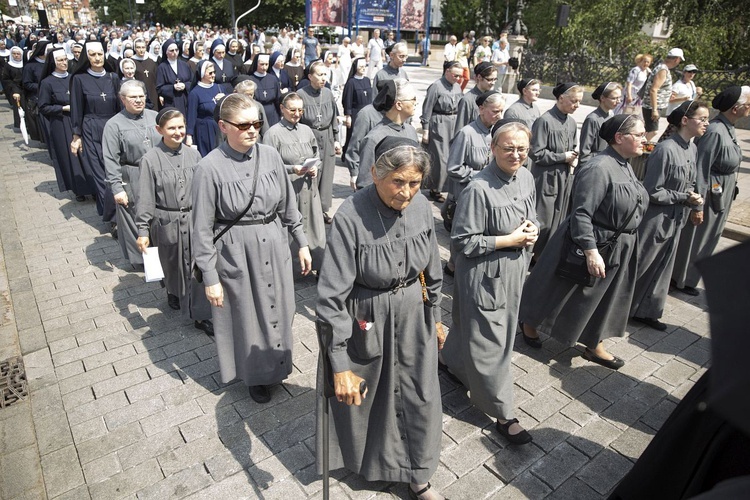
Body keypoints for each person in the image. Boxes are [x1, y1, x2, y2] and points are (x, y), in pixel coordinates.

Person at [315, 136, 447, 500]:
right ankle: (376, 464)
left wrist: (435, 315)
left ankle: (419, 475)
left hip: (413, 318)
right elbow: (329, 299)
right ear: (375, 173)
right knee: (373, 398)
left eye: (415, 183)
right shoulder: (350, 215)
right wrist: (338, 362)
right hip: (367, 320)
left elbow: (432, 268)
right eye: (398, 182)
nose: (406, 193)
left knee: (420, 395)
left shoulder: (421, 208)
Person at [192, 93, 312, 404]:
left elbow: (289, 205)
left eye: (257, 123)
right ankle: (256, 376)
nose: (252, 130)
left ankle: (278, 363)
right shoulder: (208, 168)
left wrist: (301, 242)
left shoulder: (270, 156)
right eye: (243, 124)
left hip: (274, 245)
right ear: (223, 126)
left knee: (280, 307)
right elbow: (202, 230)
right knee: (248, 315)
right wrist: (210, 277)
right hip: (237, 253)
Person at [520, 114, 649, 368]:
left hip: (616, 245)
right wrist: (590, 250)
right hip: (591, 242)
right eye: (640, 134)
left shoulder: (625, 163)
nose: (645, 139)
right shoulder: (598, 167)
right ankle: (530, 322)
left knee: (604, 298)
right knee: (558, 286)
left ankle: (594, 342)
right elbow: (581, 213)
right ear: (620, 138)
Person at [441, 121, 538, 445]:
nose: (516, 154)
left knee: (478, 329)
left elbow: (531, 215)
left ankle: (452, 363)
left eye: (522, 148)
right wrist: (508, 239)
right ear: (493, 149)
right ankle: (504, 413)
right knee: (492, 342)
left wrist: (532, 230)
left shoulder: (525, 176)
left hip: (513, 273)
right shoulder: (478, 188)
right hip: (484, 276)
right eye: (508, 148)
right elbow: (463, 241)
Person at [630, 100, 708, 331]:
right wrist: (683, 196)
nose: (706, 124)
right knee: (642, 264)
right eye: (702, 119)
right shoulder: (665, 149)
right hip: (656, 219)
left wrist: (694, 201)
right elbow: (652, 190)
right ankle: (620, 308)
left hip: (676, 217)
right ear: (685, 121)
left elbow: (691, 180)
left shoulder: (692, 148)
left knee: (663, 266)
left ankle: (645, 311)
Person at [135, 107, 213, 333]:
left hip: (193, 219)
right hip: (167, 220)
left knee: (197, 267)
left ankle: (200, 314)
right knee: (173, 266)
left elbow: (203, 188)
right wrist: (142, 230)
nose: (177, 132)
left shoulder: (194, 154)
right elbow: (145, 197)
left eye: (181, 127)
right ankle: (172, 290)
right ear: (159, 130)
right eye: (171, 128)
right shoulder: (149, 160)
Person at [671, 86, 750, 296]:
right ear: (736, 108)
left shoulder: (728, 128)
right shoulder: (715, 131)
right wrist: (698, 204)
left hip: (721, 190)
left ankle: (689, 277)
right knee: (699, 236)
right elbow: (700, 167)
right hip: (710, 192)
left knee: (710, 236)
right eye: (748, 104)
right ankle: (682, 278)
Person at [263, 92, 326, 271]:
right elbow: (268, 166)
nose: (297, 114)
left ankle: (318, 264)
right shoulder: (273, 134)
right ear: (282, 109)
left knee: (315, 229)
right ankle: (290, 269)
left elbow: (316, 155)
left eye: (300, 110)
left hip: (308, 188)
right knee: (290, 228)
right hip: (288, 189)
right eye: (292, 110)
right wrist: (292, 169)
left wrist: (315, 166)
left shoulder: (307, 130)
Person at [102, 80, 161, 266]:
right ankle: (144, 262)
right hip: (133, 174)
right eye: (133, 97)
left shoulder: (156, 117)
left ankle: (165, 254)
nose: (138, 100)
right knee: (137, 216)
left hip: (158, 173)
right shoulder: (114, 125)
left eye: (141, 96)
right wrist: (117, 187)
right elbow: (110, 158)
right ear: (122, 99)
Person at [70, 41, 121, 224]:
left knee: (116, 172)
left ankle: (120, 212)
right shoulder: (79, 79)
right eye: (92, 55)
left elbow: (120, 106)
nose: (97, 58)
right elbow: (76, 108)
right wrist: (77, 136)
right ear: (86, 57)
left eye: (100, 54)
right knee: (101, 175)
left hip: (113, 127)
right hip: (91, 128)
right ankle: (113, 219)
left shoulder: (113, 77)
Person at [529, 82, 581, 256]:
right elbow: (536, 153)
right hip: (545, 178)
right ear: (561, 98)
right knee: (543, 220)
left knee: (559, 219)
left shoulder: (572, 122)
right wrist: (562, 157)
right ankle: (531, 254)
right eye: (573, 101)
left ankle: (545, 255)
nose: (577, 105)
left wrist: (573, 157)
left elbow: (572, 146)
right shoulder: (544, 121)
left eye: (579, 101)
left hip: (564, 177)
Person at [443, 91, 504, 231]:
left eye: (501, 111)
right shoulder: (466, 133)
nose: (500, 116)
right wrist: (480, 174)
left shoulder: (496, 133)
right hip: (466, 195)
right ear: (481, 109)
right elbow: (453, 168)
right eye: (495, 111)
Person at [38, 48, 93, 202]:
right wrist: (63, 108)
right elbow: (43, 107)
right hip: (61, 122)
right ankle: (78, 189)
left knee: (87, 153)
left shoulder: (74, 78)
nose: (64, 63)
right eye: (60, 60)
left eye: (65, 59)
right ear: (53, 63)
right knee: (71, 156)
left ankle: (93, 186)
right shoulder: (47, 82)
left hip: (80, 120)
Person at [354, 78, 419, 189]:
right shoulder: (374, 138)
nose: (416, 103)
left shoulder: (411, 131)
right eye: (413, 99)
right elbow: (365, 183)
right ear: (399, 105)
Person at [297, 60, 341, 224]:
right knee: (311, 175)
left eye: (325, 74)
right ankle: (306, 211)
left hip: (327, 138)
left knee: (326, 177)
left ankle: (322, 211)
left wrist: (337, 140)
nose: (324, 78)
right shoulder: (301, 94)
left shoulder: (328, 94)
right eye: (320, 74)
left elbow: (334, 119)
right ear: (310, 76)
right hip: (310, 139)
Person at [420, 61, 464, 203]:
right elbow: (427, 108)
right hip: (439, 123)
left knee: (453, 156)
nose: (457, 79)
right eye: (455, 75)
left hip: (454, 122)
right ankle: (435, 188)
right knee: (441, 158)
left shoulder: (457, 87)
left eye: (460, 76)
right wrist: (425, 129)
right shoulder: (436, 87)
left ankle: (445, 187)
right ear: (447, 72)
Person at [642, 47, 684, 142]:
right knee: (653, 131)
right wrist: (654, 110)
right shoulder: (663, 70)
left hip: (653, 105)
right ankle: (638, 149)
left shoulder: (661, 67)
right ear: (676, 59)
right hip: (652, 106)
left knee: (649, 130)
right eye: (679, 60)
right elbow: (654, 90)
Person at [579, 82, 622, 167]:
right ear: (602, 98)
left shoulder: (611, 115)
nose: (618, 101)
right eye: (614, 98)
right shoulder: (592, 119)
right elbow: (584, 152)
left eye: (619, 98)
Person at [186, 60, 225, 156]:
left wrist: (224, 98)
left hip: (220, 128)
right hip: (204, 130)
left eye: (214, 72)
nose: (213, 75)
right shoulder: (195, 93)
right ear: (202, 74)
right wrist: (189, 135)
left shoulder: (219, 88)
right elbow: (191, 115)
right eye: (210, 73)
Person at [454, 61, 497, 132]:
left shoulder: (494, 96)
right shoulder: (467, 100)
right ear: (479, 77)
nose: (493, 83)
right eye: (489, 79)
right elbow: (460, 129)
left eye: (495, 79)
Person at [341, 57, 372, 155]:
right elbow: (347, 99)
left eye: (364, 66)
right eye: (361, 66)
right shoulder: (351, 82)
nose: (363, 68)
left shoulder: (367, 80)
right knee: (353, 136)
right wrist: (348, 115)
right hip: (355, 113)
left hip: (367, 113)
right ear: (356, 68)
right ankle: (348, 155)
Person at [156, 39, 192, 116]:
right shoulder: (162, 67)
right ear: (166, 52)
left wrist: (185, 85)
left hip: (184, 99)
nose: (175, 53)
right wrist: (173, 87)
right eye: (171, 51)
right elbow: (159, 88)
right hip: (171, 102)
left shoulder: (185, 65)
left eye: (176, 50)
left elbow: (192, 82)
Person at [248, 53, 281, 127]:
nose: (264, 67)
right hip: (257, 113)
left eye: (266, 64)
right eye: (262, 64)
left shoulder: (273, 79)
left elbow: (278, 98)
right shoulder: (250, 79)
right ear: (256, 64)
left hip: (273, 115)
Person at [2, 46, 25, 130]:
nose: (16, 55)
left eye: (18, 54)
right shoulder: (8, 65)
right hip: (15, 89)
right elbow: (6, 79)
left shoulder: (25, 63)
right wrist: (14, 89)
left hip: (25, 89)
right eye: (14, 54)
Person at [132, 38, 159, 110]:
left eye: (143, 47)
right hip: (138, 94)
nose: (141, 50)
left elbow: (156, 78)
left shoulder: (151, 62)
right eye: (138, 47)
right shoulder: (131, 62)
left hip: (153, 93)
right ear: (134, 48)